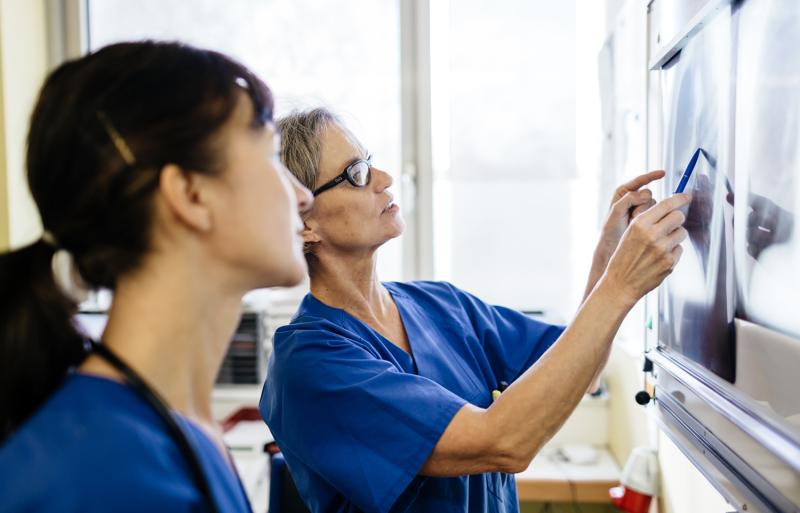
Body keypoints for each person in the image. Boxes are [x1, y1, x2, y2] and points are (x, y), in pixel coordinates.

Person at [260, 107, 691, 513]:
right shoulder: (311, 364)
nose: (386, 178)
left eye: (371, 162)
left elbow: (581, 366)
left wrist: (607, 257)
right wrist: (620, 285)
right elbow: (504, 442)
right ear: (304, 221)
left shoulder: (439, 305)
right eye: (356, 174)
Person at [0, 41, 312, 512]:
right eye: (271, 157)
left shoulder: (180, 427)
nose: (303, 195)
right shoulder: (100, 473)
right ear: (190, 194)